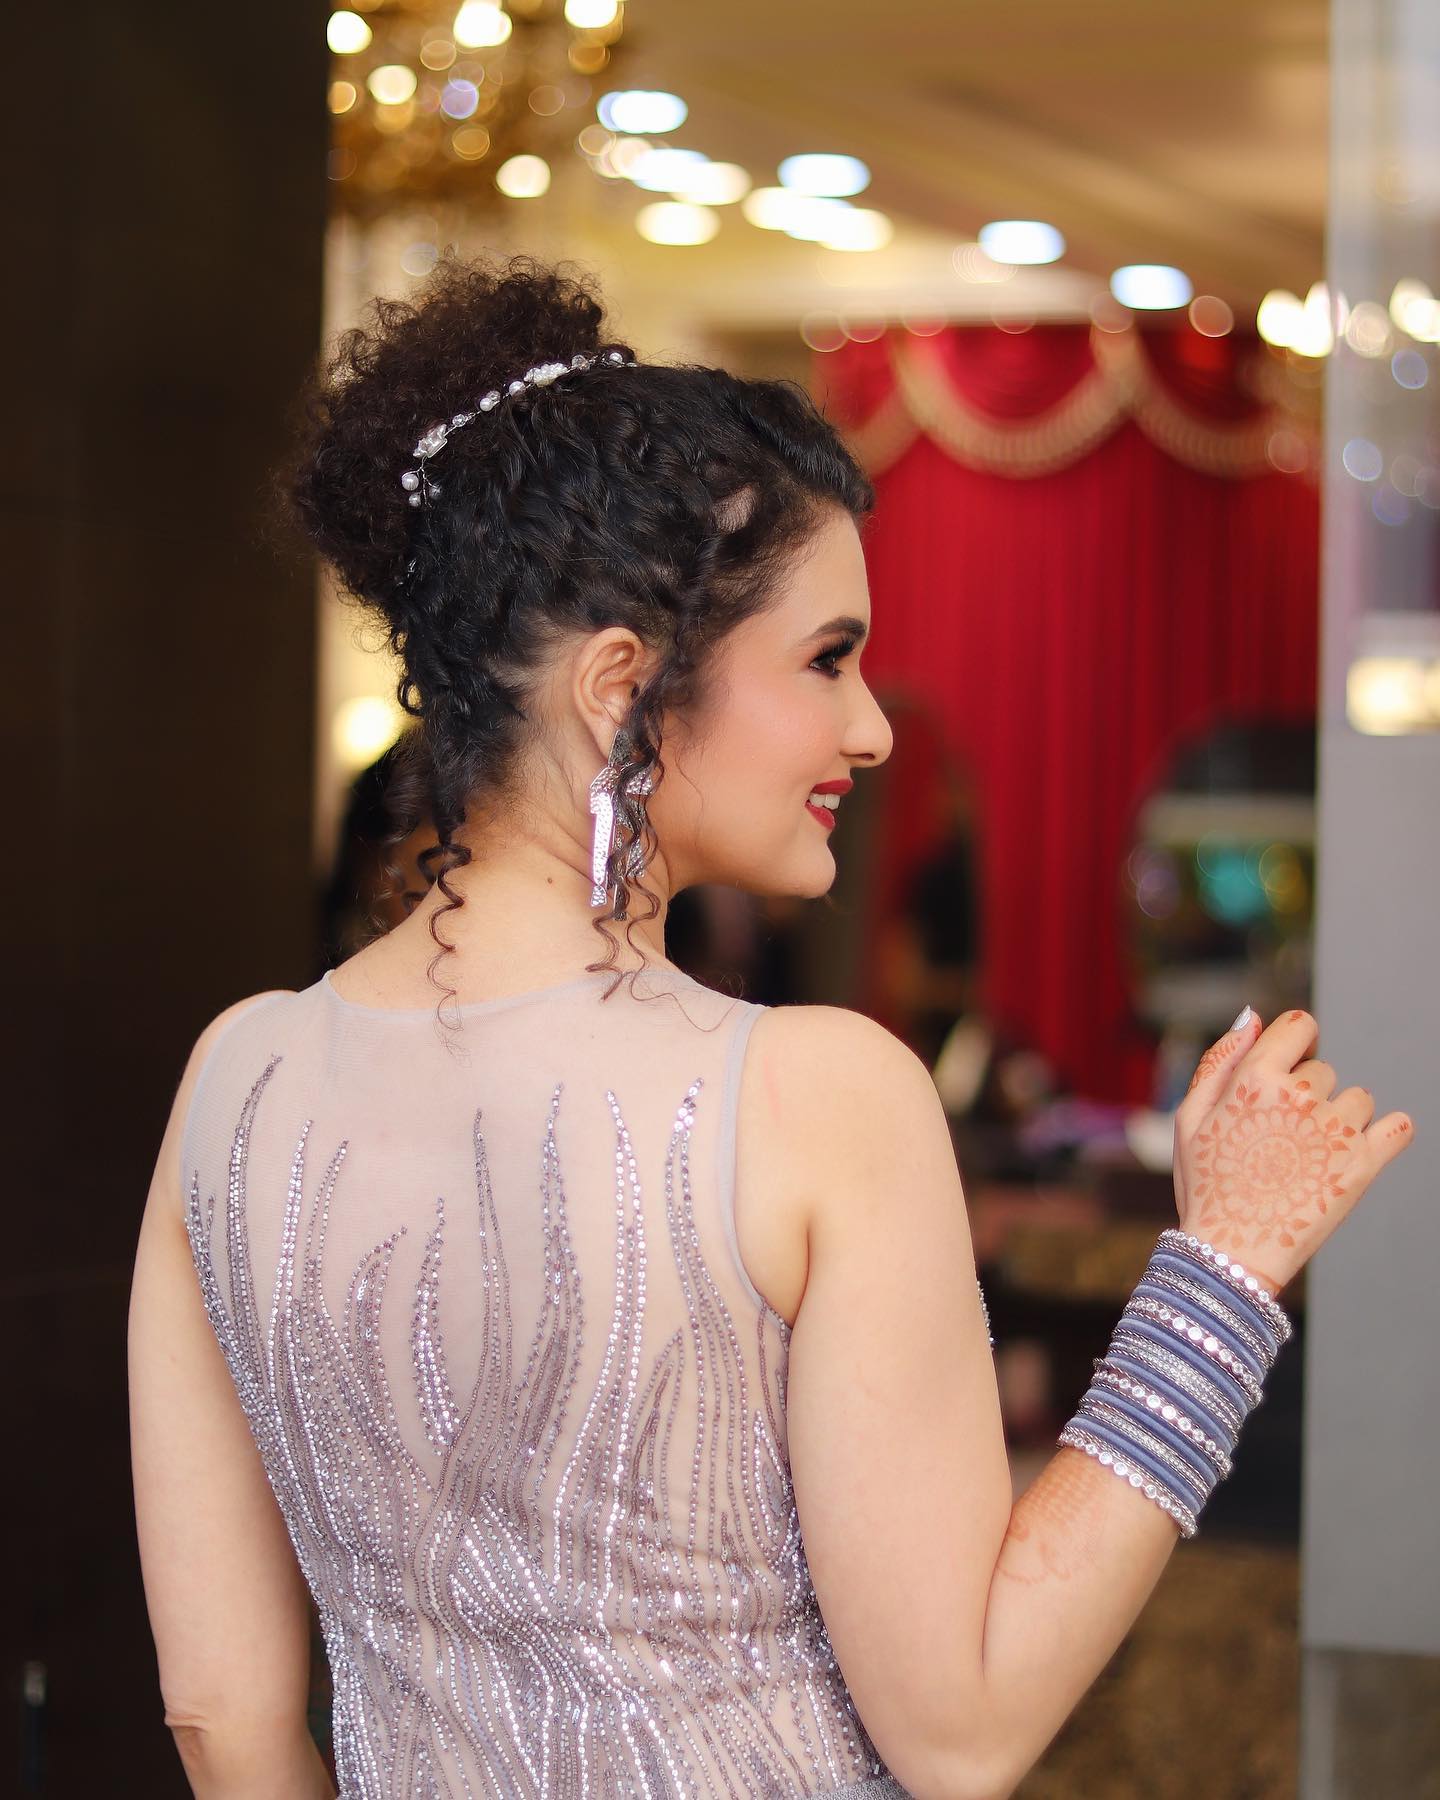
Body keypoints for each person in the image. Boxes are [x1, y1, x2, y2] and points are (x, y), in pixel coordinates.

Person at [127, 251, 1416, 1800]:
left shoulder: (237, 1080)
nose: (870, 729)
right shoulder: (814, 1096)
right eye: (827, 660)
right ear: (622, 687)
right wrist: (1224, 1275)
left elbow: (222, 1715)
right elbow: (965, 1727)